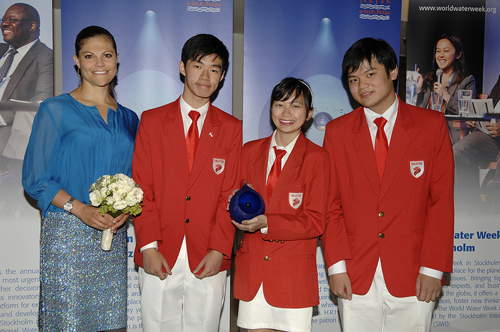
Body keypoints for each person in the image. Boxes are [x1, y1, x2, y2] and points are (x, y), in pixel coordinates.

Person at [321, 38, 455, 332]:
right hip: (355, 273)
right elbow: (331, 205)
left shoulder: (431, 126)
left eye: (370, 74)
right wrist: (336, 268)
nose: (361, 86)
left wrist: (433, 269)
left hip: (414, 272)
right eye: (353, 79)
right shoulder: (337, 132)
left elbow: (441, 202)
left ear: (393, 71)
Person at [22, 26, 138, 331]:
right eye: (89, 56)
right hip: (67, 234)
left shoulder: (129, 118)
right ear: (76, 61)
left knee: (110, 321)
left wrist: (126, 209)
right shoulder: (54, 109)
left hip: (110, 237)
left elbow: (134, 176)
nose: (99, 63)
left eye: (107, 55)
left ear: (116, 61)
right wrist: (80, 209)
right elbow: (37, 179)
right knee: (67, 321)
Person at [132, 33, 242, 332]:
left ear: (221, 77)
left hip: (207, 252)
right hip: (160, 248)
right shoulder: (152, 121)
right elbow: (143, 187)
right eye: (198, 65)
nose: (205, 76)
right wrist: (149, 247)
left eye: (215, 69)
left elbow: (229, 195)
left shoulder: (232, 129)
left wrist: (219, 249)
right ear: (183, 67)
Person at [232, 77, 329, 332]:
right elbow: (231, 201)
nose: (286, 113)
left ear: (309, 114)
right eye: (280, 104)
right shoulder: (249, 151)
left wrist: (268, 223)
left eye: (296, 106)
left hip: (293, 275)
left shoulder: (317, 158)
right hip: (253, 272)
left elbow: (316, 221)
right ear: (271, 109)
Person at [0, 3, 53, 166]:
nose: (4, 24)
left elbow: (40, 102)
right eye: (3, 20)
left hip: (7, 130)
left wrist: (2, 117)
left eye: (12, 20)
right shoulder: (1, 50)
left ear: (32, 26)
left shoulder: (46, 57)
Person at [416, 33, 476, 142]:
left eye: (446, 51)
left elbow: (470, 113)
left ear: (458, 54)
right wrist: (418, 90)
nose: (441, 55)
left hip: (451, 136)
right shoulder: (427, 79)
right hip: (426, 133)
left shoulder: (467, 81)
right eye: (438, 51)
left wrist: (446, 96)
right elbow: (418, 112)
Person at [453, 75, 500, 211]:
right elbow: (489, 106)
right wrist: (476, 117)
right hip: (489, 136)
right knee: (458, 151)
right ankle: (470, 208)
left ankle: (494, 215)